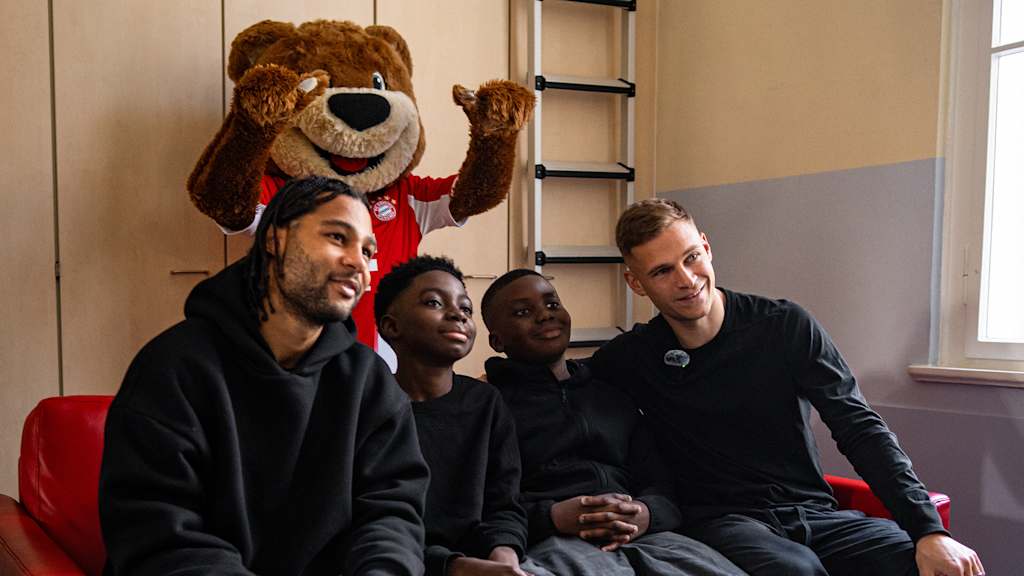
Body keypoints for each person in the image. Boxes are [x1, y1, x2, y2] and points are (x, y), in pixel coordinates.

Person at [589, 198, 984, 576]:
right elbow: (556, 393)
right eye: (662, 271)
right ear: (636, 283)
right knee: (796, 570)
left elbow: (860, 428)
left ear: (707, 247)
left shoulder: (784, 325)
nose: (687, 279)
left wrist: (929, 531)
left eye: (691, 257)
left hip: (815, 513)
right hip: (723, 523)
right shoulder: (632, 357)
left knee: (927, 563)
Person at [99, 176, 429, 575]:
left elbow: (391, 512)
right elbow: (160, 531)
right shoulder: (174, 367)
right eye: (338, 238)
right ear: (275, 239)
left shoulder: (369, 379)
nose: (359, 262)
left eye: (367, 249)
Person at [480, 269, 747, 576]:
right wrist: (552, 516)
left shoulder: (612, 396)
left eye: (552, 305)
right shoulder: (491, 407)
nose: (544, 316)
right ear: (497, 341)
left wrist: (647, 513)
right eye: (523, 312)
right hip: (554, 541)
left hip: (649, 538)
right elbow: (489, 507)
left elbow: (663, 486)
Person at [374, 256, 552, 576]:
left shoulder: (486, 403)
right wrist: (452, 567)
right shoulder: (370, 409)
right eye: (433, 302)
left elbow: (504, 506)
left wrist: (504, 555)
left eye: (465, 308)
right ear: (391, 326)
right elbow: (368, 525)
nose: (457, 314)